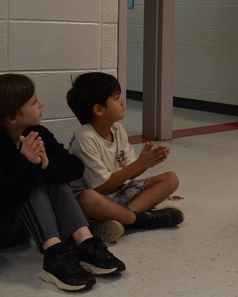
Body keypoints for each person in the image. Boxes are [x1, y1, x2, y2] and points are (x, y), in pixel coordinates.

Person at [0, 74, 125, 291]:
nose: (41, 104)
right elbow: (1, 200)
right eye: (34, 102)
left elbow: (75, 167)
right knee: (32, 177)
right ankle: (54, 255)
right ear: (12, 117)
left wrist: (45, 165)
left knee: (52, 173)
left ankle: (84, 242)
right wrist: (28, 164)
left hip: (27, 227)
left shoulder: (38, 133)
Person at [67, 72, 184, 243]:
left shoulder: (118, 129)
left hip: (119, 192)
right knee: (87, 198)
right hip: (96, 199)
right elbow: (99, 187)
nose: (122, 102)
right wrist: (138, 166)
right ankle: (141, 220)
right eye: (116, 98)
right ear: (99, 109)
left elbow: (129, 172)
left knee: (170, 178)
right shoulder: (85, 137)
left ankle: (121, 220)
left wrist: (144, 163)